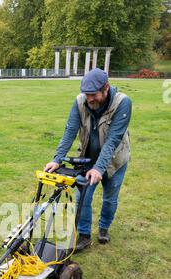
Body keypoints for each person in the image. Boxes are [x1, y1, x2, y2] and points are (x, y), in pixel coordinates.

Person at [44, 68, 132, 251]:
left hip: (115, 160)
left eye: (93, 94)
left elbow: (113, 140)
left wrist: (99, 169)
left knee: (110, 198)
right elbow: (69, 131)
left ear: (106, 88)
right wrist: (57, 159)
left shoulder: (122, 103)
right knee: (82, 196)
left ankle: (104, 228)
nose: (89, 99)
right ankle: (83, 235)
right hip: (87, 159)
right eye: (86, 94)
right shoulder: (80, 102)